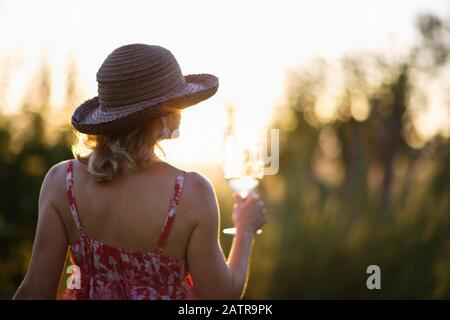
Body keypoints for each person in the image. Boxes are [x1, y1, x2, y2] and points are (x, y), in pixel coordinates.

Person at [13, 44, 268, 300]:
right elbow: (220, 297)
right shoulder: (192, 194)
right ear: (161, 116)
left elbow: (35, 291)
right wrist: (245, 230)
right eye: (178, 102)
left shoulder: (61, 181)